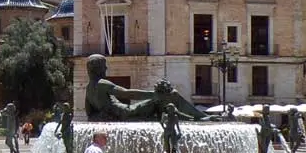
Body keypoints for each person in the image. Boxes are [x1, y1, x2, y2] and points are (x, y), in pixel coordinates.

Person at [83, 54, 212, 121]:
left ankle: (197, 117)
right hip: (129, 112)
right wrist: (153, 95)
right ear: (98, 67)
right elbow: (128, 94)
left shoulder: (89, 88)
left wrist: (105, 115)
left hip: (124, 114)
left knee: (165, 103)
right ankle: (201, 117)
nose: (106, 68)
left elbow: (89, 114)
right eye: (104, 65)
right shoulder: (103, 83)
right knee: (171, 95)